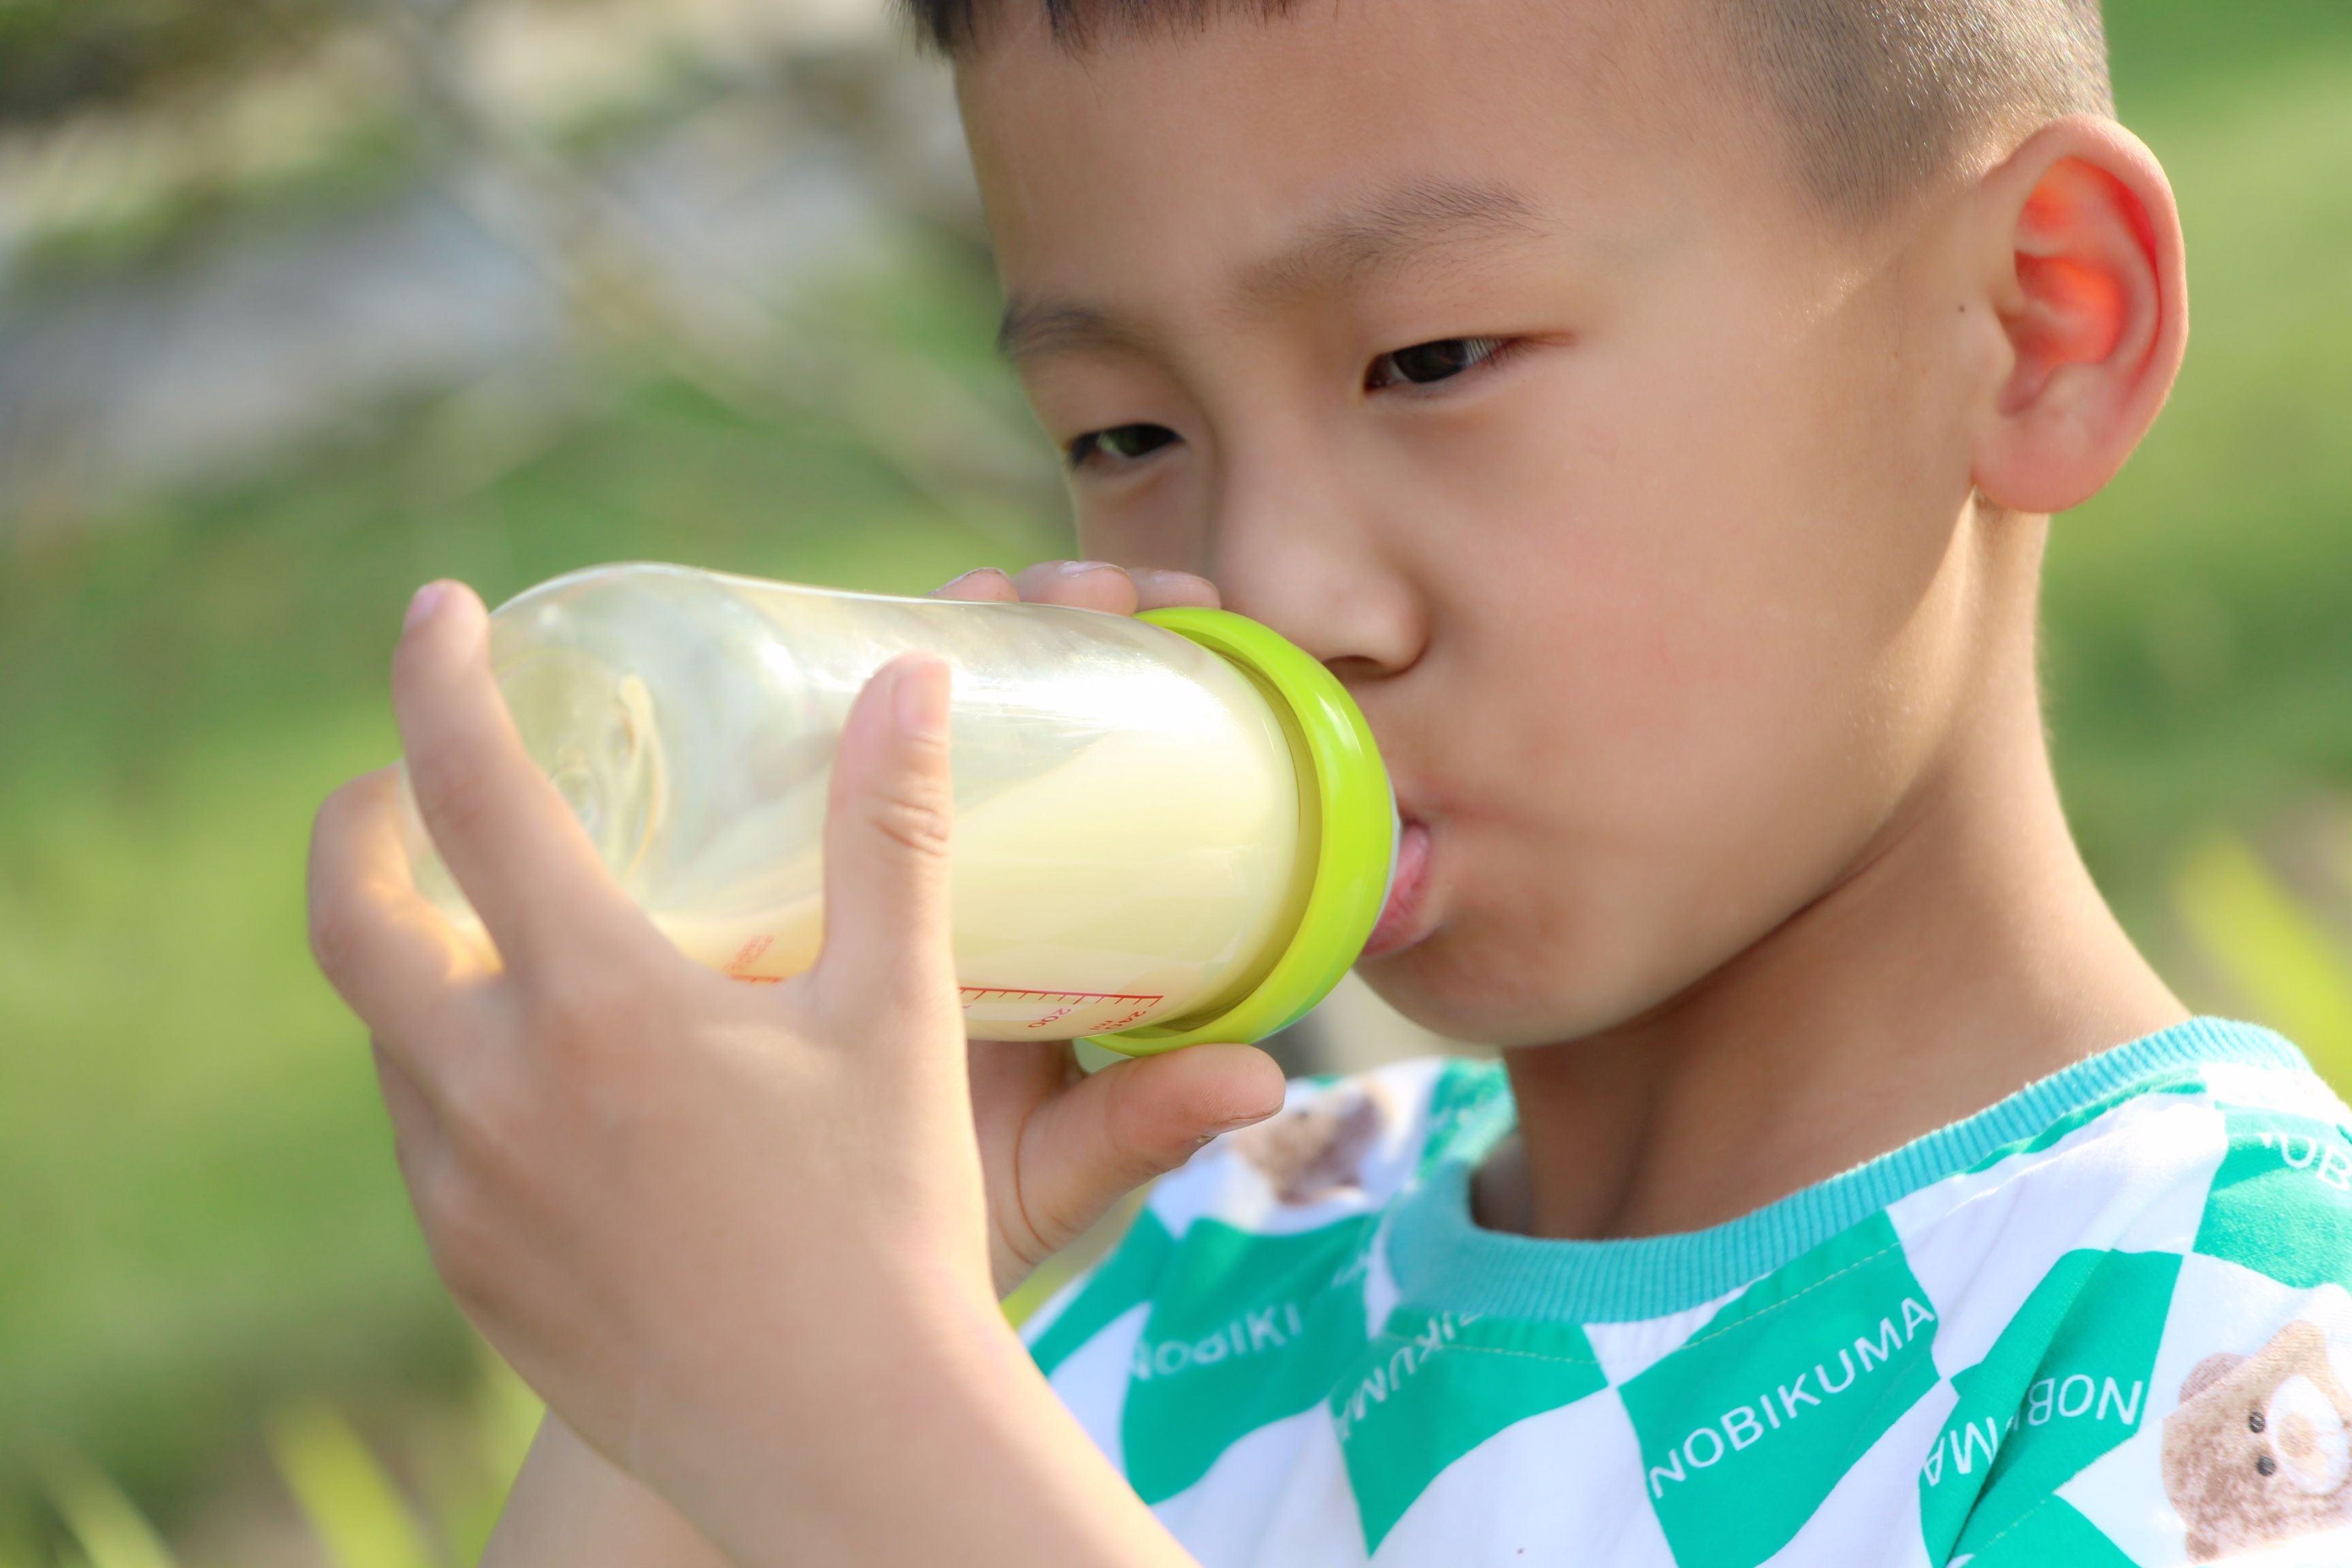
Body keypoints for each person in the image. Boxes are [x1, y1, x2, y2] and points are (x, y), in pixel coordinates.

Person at [304, 0, 2352, 1562]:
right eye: (1124, 434)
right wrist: (687, 1411)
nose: (1273, 591)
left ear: (2034, 323)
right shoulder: (1221, 1259)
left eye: (1429, 360)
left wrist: (857, 1417)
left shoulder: (2238, 1350)